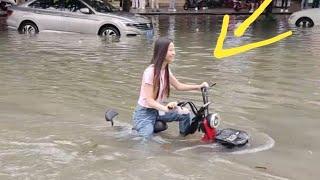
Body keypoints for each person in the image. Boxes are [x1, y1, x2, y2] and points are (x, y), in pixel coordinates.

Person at [132, 37, 208, 140]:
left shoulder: (165, 69)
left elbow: (178, 86)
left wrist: (199, 86)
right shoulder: (150, 72)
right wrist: (166, 108)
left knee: (185, 113)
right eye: (170, 50)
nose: (174, 53)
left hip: (158, 110)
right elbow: (149, 101)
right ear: (162, 52)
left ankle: (183, 139)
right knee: (146, 139)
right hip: (144, 113)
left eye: (174, 50)